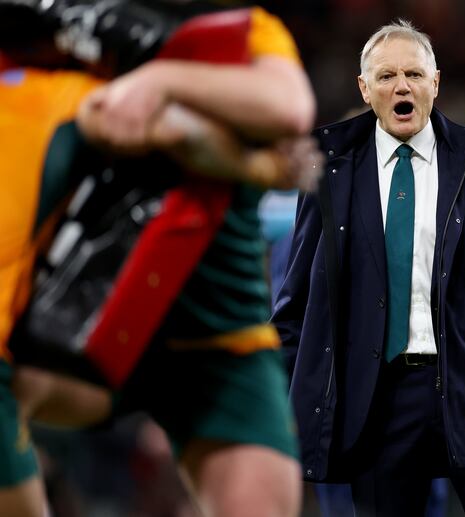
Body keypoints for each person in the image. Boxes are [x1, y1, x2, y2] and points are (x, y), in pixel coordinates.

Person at [1, 4, 319, 516]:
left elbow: (287, 108)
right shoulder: (39, 25)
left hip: (215, 321)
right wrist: (250, 160)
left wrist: (162, 78)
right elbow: (117, 119)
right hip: (76, 305)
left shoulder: (241, 28)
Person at [272, 19, 465, 517]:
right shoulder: (328, 172)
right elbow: (298, 299)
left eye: (414, 74)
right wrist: (272, 401)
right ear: (364, 89)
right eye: (387, 76)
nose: (402, 86)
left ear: (436, 83)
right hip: (377, 398)